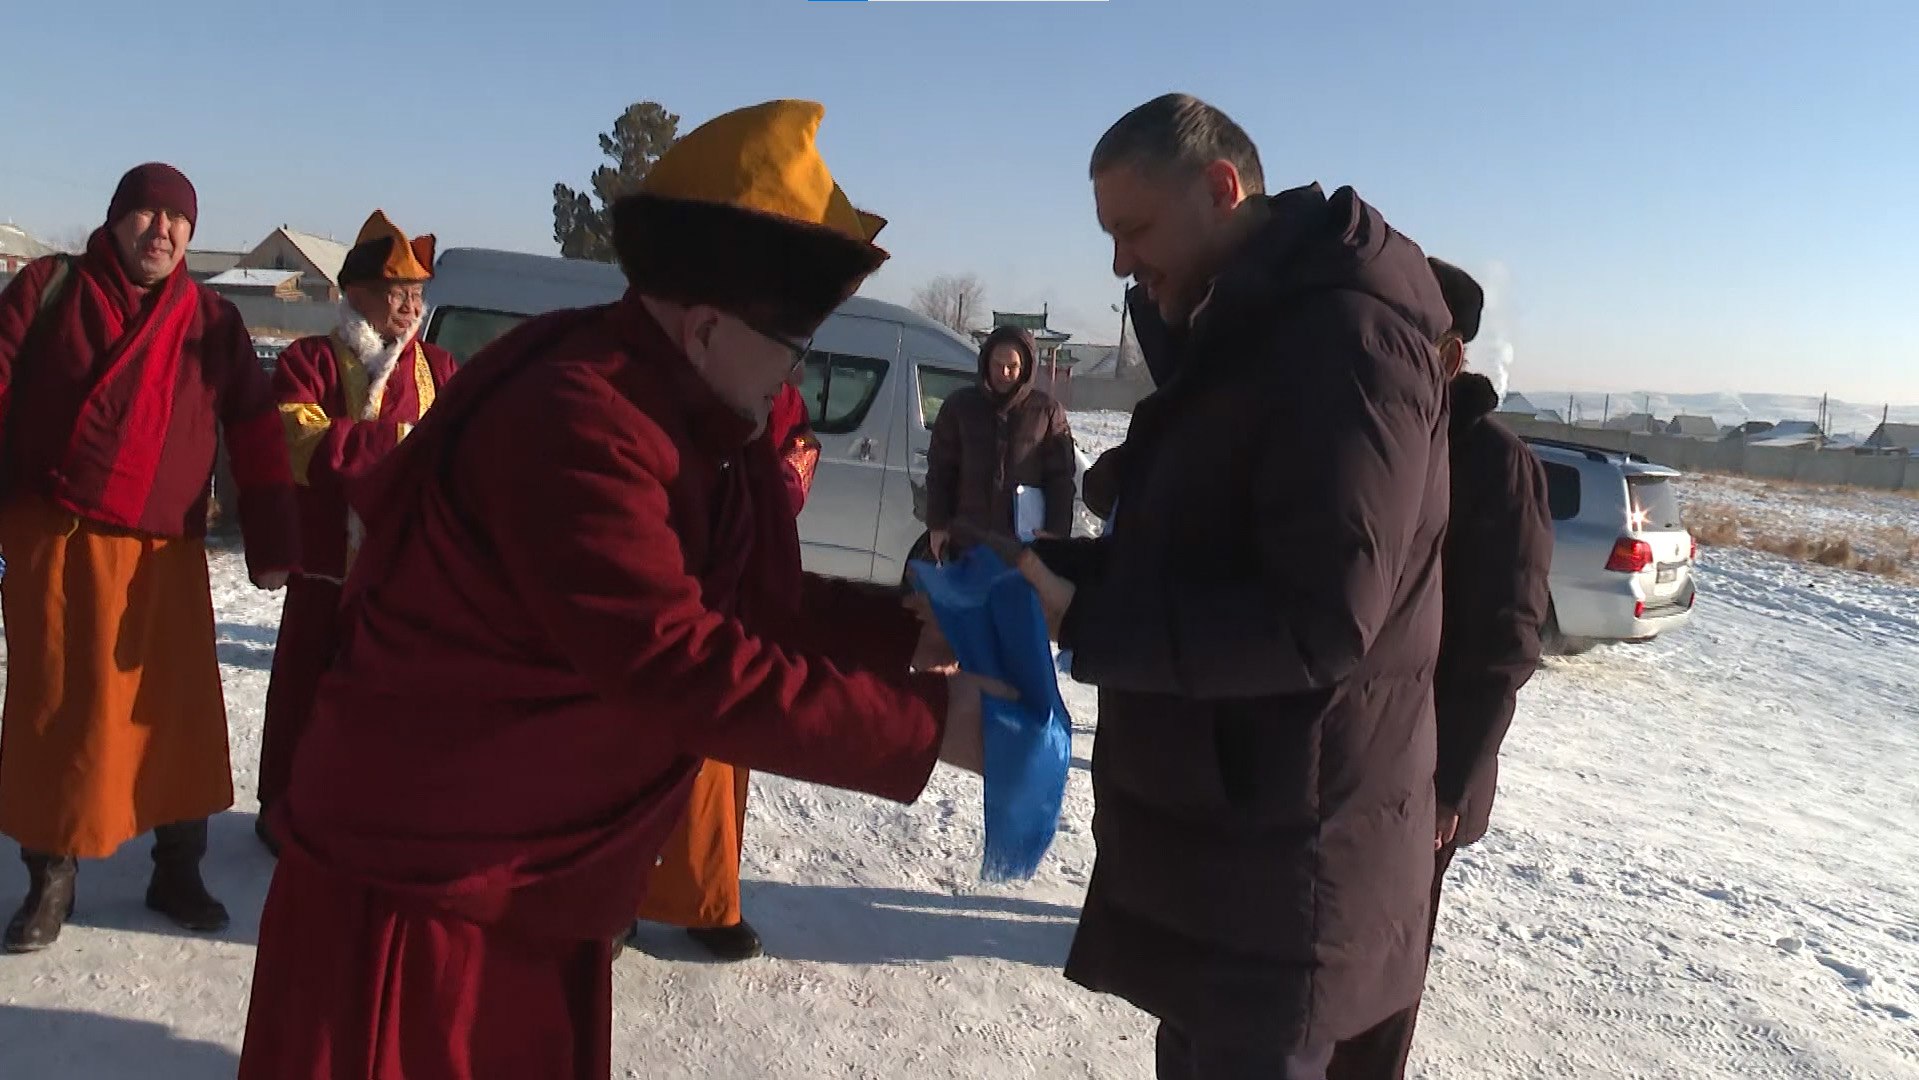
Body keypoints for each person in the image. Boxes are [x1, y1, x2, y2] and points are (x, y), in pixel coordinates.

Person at [236, 99, 999, 1079]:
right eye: (792, 347)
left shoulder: (684, 406)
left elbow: (747, 599)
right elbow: (674, 659)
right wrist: (934, 727)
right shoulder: (579, 412)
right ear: (707, 327)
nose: (793, 377)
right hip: (423, 882)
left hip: (527, 884)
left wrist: (907, 632)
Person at [1017, 94, 1454, 1079]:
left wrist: (1090, 616)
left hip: (1288, 876)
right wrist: (1051, 572)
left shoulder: (1343, 339)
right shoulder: (1245, 332)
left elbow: (1320, 619)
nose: (1119, 264)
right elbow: (1208, 557)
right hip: (1232, 861)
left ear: (1221, 188)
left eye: (1133, 228)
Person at [0, 163, 297, 953]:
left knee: (174, 713)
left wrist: (272, 538)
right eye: (146, 213)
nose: (160, 230)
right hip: (55, 539)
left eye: (177, 219)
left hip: (166, 550)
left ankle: (177, 870)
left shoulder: (212, 319)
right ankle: (50, 877)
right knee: (56, 710)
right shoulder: (47, 289)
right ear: (115, 217)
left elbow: (256, 431)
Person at [1326, 259, 1554, 1079]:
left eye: (1404, 334)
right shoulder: (1365, 437)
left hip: (1424, 776)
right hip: (1346, 753)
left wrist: (1450, 785)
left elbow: (1505, 643)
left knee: (1380, 971)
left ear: (1451, 356)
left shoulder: (1493, 464)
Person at [255, 210, 459, 854]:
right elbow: (295, 440)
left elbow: (457, 457)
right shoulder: (309, 360)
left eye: (417, 294)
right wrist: (398, 446)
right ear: (358, 294)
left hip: (405, 574)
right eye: (398, 293)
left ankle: (376, 817)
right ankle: (286, 809)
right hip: (324, 567)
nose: (411, 307)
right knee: (305, 693)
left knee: (395, 701)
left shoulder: (441, 369)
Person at [629, 376, 833, 961]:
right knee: (641, 745)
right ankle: (621, 899)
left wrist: (767, 486)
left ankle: (708, 901)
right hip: (668, 568)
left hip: (738, 578)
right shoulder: (669, 368)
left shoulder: (782, 390)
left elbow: (799, 449)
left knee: (719, 753)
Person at [925, 325, 1077, 560]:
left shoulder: (1047, 412)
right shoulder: (959, 407)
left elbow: (1061, 480)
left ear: (1025, 367)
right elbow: (941, 469)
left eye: (1012, 366)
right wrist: (938, 525)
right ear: (986, 362)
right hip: (966, 540)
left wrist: (1055, 533)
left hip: (1024, 548)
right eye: (998, 364)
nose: (1004, 373)